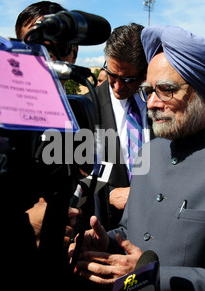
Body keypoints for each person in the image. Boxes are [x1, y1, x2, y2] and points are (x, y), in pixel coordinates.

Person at [70, 25, 205, 291]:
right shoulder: (150, 153)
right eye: (149, 90)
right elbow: (135, 233)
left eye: (166, 90)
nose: (151, 103)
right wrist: (107, 242)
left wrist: (152, 276)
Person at [85, 23, 154, 231]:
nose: (117, 86)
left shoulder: (162, 104)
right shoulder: (84, 109)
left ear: (145, 73)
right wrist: (110, 194)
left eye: (127, 79)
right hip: (105, 232)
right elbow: (73, 177)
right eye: (112, 75)